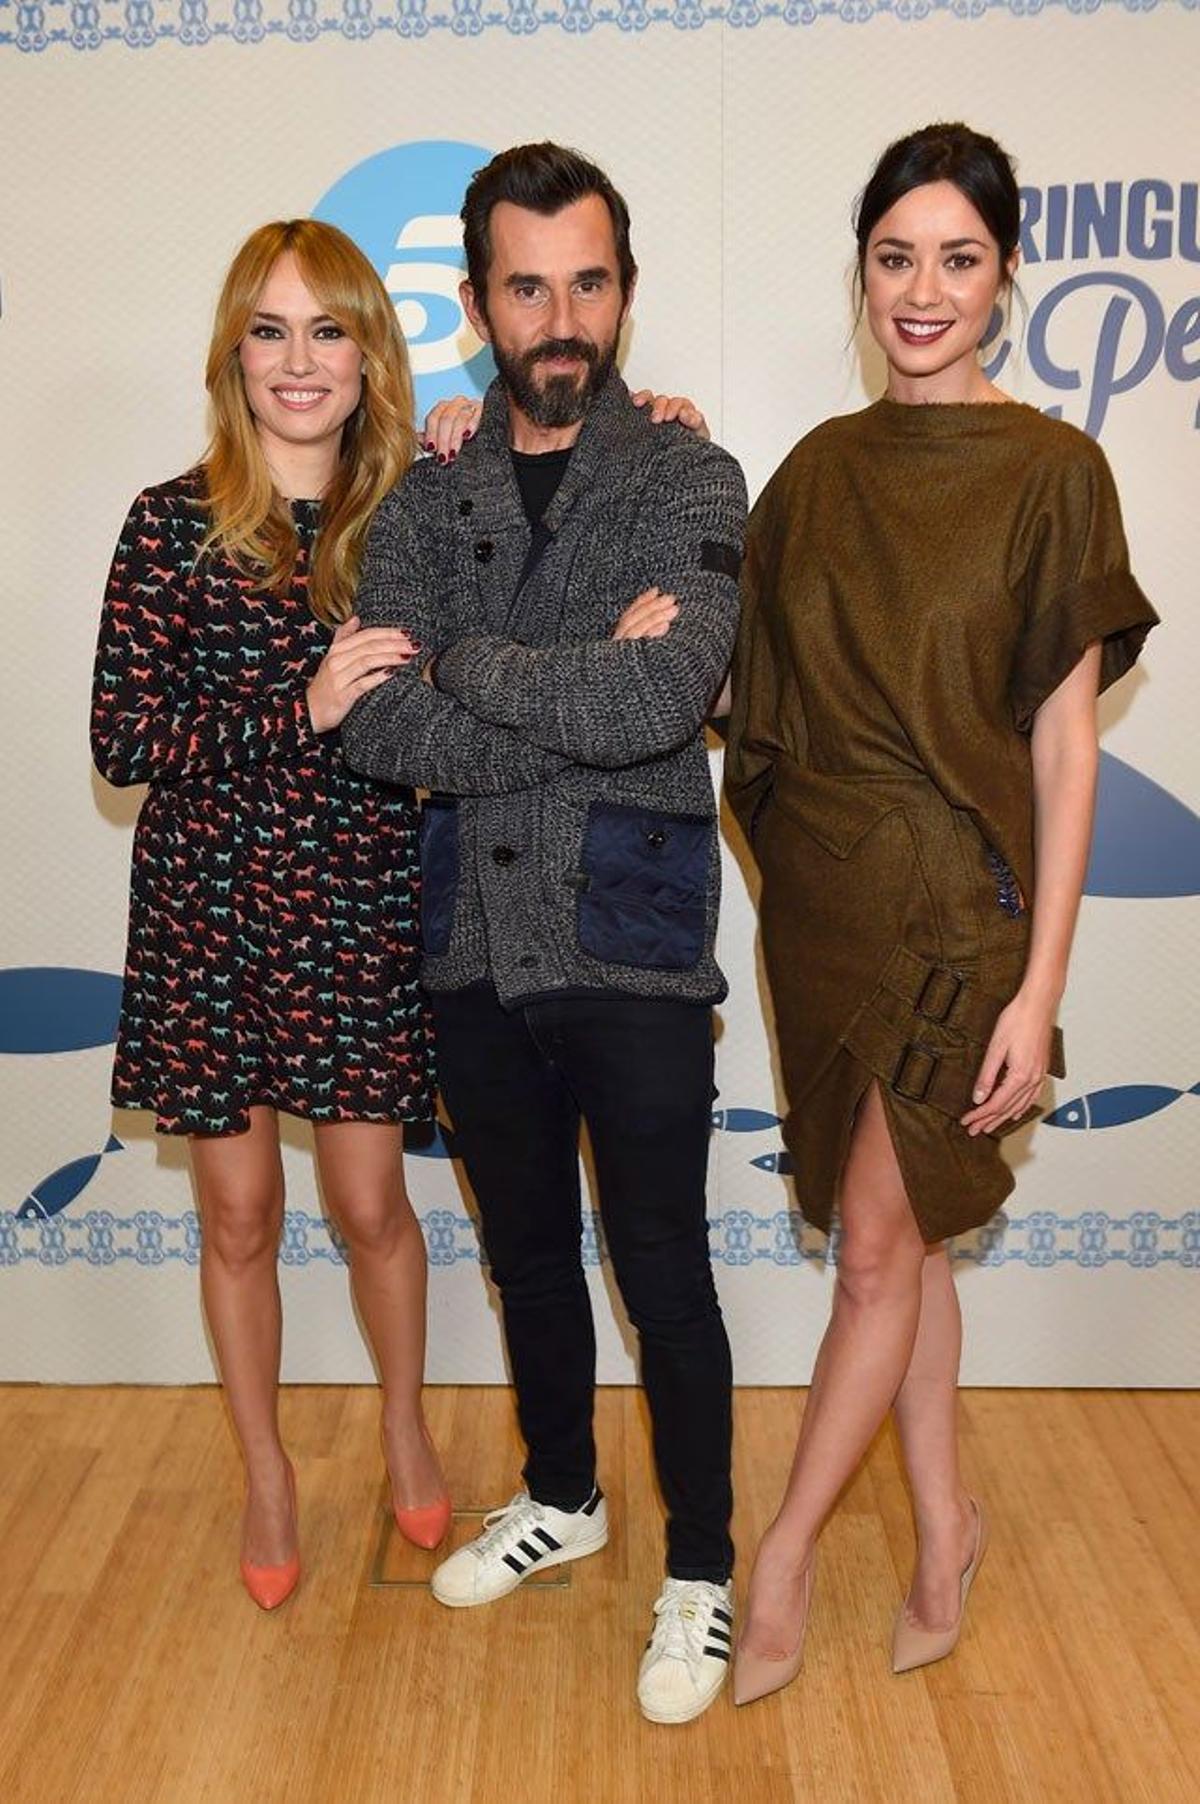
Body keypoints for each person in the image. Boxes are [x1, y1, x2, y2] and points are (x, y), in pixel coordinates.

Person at [724, 122, 1158, 1704]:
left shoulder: (1055, 472)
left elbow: (1059, 749)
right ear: (864, 272)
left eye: (957, 260)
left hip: (964, 917)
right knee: (897, 1249)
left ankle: (779, 1560)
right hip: (821, 909)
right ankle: (942, 1532)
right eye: (896, 257)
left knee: (871, 1261)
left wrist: (1040, 985)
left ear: (1005, 277)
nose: (923, 291)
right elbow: (746, 687)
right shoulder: (815, 475)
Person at [342, 142, 747, 1724]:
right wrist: (561, 672)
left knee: (664, 1266)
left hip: (633, 939)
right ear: (477, 306)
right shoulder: (429, 486)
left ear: (625, 293)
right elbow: (375, 726)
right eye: (528, 286)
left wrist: (469, 664)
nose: (560, 315)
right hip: (473, 945)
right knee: (524, 1255)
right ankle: (565, 1496)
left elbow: (669, 696)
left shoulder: (695, 476)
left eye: (589, 282)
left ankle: (702, 1569)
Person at [91, 219, 475, 1608]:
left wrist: (636, 415)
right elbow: (124, 741)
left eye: (329, 330)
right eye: (270, 329)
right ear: (233, 357)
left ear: (371, 351)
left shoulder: (420, 523)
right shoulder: (170, 523)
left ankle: (404, 1420)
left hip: (360, 905)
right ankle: (265, 1468)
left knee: (373, 1201)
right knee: (239, 1215)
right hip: (209, 916)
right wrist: (295, 707)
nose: (298, 360)